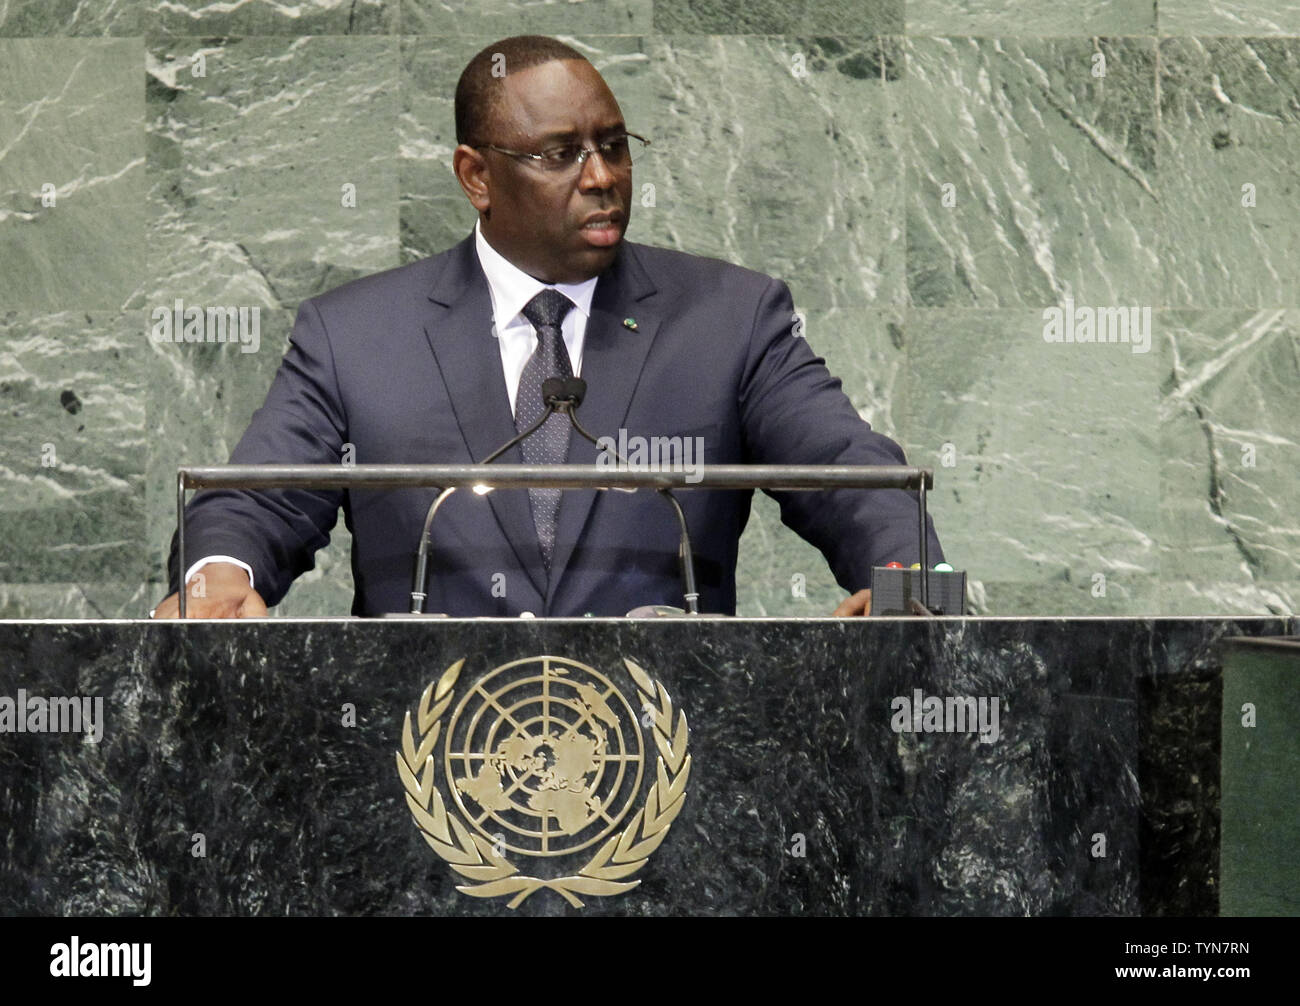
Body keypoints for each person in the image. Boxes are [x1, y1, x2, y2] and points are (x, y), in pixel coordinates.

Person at [153, 35, 943, 620]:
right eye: (560, 154)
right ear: (476, 177)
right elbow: (252, 502)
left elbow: (853, 473)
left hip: (672, 787)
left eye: (612, 147)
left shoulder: (730, 318)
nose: (600, 177)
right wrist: (216, 576)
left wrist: (912, 589)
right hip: (422, 785)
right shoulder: (355, 335)